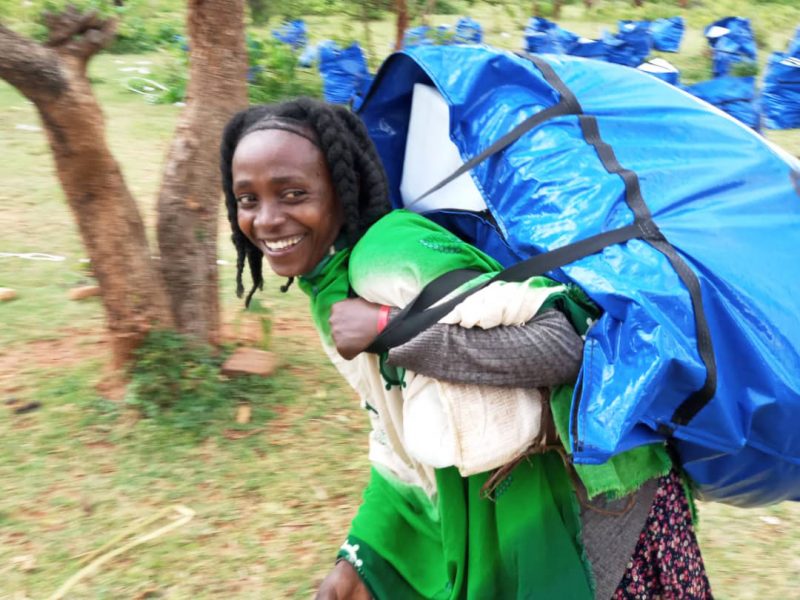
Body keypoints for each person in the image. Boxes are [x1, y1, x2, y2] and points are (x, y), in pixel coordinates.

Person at [220, 97, 711, 599]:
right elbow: (393, 431)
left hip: (600, 512)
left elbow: (562, 345)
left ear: (341, 190)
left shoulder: (387, 257)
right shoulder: (329, 288)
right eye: (247, 199)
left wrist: (392, 330)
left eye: (294, 193)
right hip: (524, 506)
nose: (267, 219)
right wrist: (359, 556)